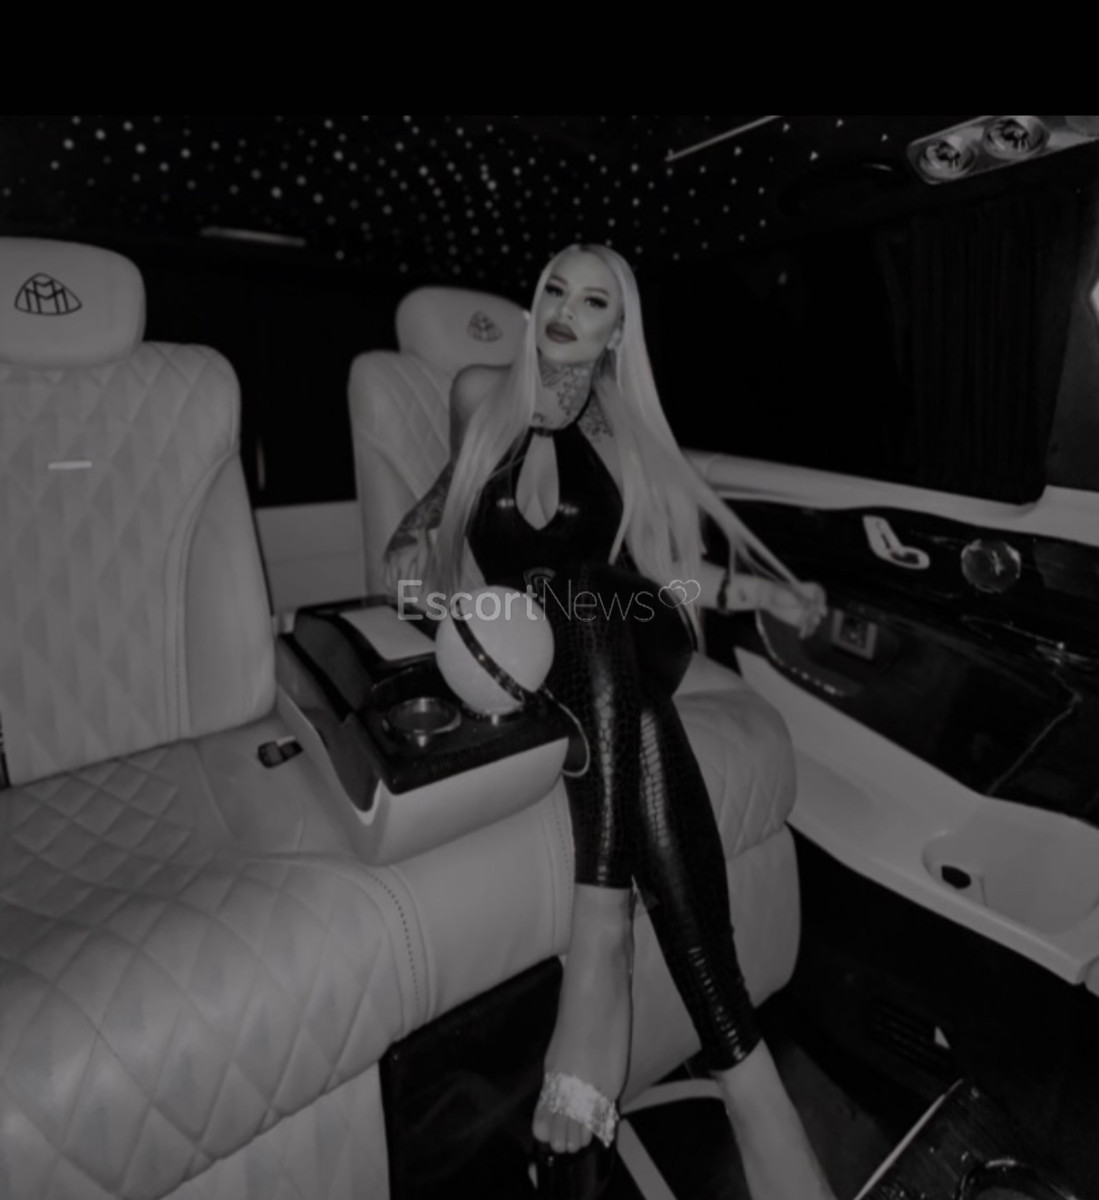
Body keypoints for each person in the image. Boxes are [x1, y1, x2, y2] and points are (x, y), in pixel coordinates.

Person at [383, 244, 834, 1199]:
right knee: (637, 715)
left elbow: (671, 573)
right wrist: (413, 539)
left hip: (632, 620)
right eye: (555, 290)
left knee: (589, 589)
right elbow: (450, 496)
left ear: (617, 331)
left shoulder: (623, 429)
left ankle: (600, 945)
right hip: (543, 655)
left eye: (593, 302)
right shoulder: (479, 392)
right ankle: (753, 1086)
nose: (565, 311)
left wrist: (763, 593)